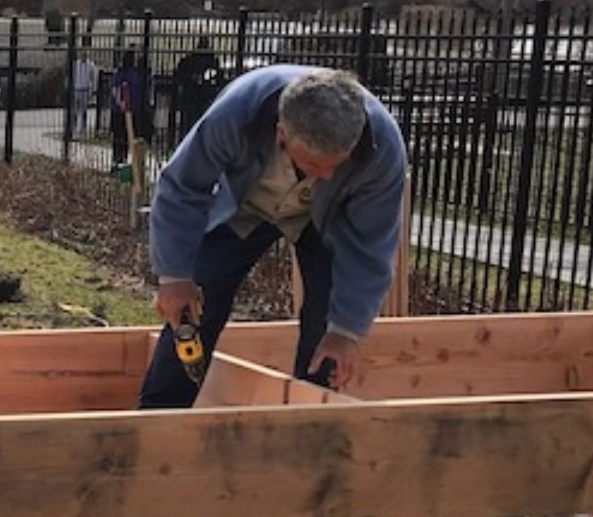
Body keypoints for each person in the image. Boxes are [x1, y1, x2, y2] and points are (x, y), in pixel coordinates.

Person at [138, 66, 407, 409]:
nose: (327, 174)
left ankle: (307, 429)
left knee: (327, 326)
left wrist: (346, 332)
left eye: (337, 165)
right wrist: (174, 275)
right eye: (314, 164)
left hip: (325, 220)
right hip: (246, 205)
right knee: (197, 303)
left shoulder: (382, 149)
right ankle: (159, 417)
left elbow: (369, 247)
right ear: (282, 132)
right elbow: (184, 184)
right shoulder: (239, 111)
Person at [172, 36, 224, 141]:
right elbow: (218, 79)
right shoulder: (212, 61)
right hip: (202, 98)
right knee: (200, 126)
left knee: (190, 126)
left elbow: (179, 77)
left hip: (195, 98)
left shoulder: (189, 61)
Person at [110, 50, 153, 165]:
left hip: (131, 110)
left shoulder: (135, 73)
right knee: (120, 137)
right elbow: (116, 89)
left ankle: (124, 160)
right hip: (122, 111)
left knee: (126, 137)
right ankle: (118, 160)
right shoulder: (122, 72)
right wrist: (121, 103)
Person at [69, 41, 99, 136]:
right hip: (76, 88)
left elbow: (94, 77)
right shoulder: (76, 64)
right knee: (74, 110)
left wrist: (93, 89)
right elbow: (72, 76)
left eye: (85, 54)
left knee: (84, 110)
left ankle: (83, 129)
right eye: (82, 54)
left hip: (85, 89)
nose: (84, 56)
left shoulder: (91, 65)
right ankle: (72, 129)